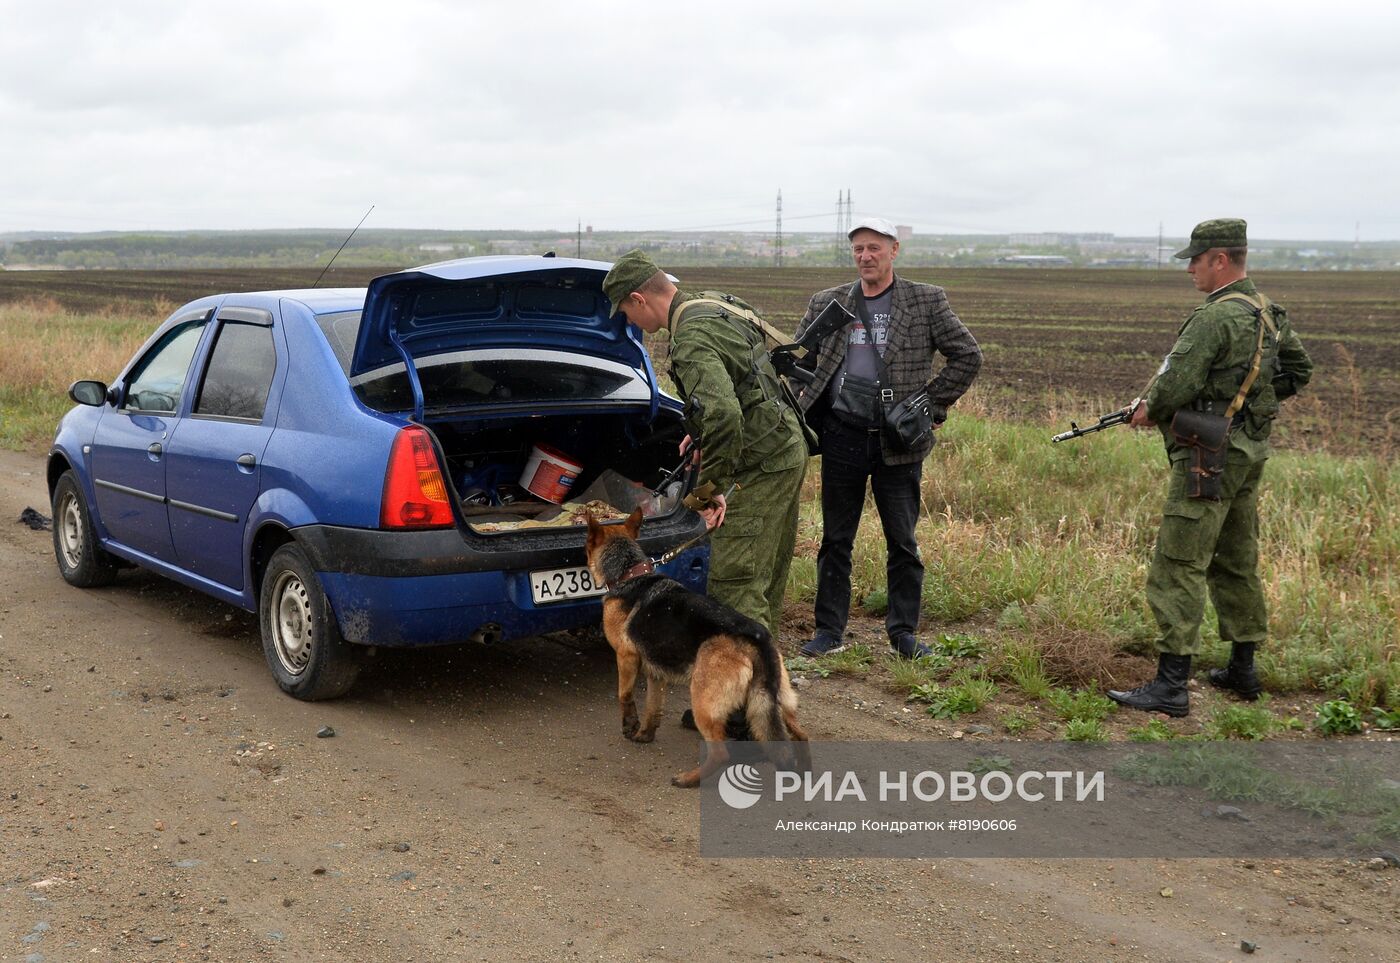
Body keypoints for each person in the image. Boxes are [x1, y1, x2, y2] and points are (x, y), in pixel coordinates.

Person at [1108, 218, 1312, 716]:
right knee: (1236, 558)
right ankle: (1243, 670)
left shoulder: (1215, 317)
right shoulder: (1269, 312)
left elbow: (1174, 387)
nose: (1191, 270)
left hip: (1208, 456)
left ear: (1220, 259)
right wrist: (1248, 411)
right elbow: (1299, 371)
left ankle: (1171, 685)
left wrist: (1148, 409)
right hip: (1248, 452)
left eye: (1195, 260)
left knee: (1179, 561)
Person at [793, 217, 982, 659]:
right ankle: (829, 632)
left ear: (894, 250)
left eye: (874, 248)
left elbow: (967, 355)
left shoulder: (925, 301)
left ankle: (904, 636)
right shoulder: (830, 301)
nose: (865, 257)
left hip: (899, 442)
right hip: (842, 435)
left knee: (903, 542)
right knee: (836, 539)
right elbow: (800, 359)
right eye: (858, 249)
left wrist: (930, 407)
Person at [602, 250, 808, 635]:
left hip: (761, 463)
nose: (631, 322)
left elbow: (724, 416)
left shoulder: (690, 340)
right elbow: (742, 380)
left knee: (735, 582)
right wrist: (698, 433)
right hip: (784, 446)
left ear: (639, 299)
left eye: (627, 313)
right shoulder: (715, 304)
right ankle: (764, 672)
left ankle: (742, 685)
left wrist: (707, 494)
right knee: (764, 572)